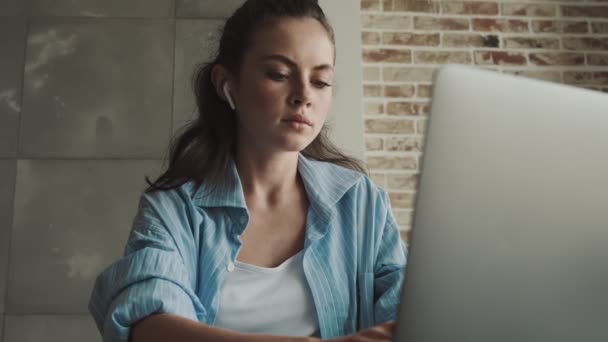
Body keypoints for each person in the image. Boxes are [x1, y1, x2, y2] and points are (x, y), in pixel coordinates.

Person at [88, 0, 407, 341]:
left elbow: (412, 318)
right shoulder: (174, 209)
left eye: (320, 81)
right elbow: (149, 326)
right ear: (227, 84)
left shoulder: (362, 204)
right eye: (279, 74)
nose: (303, 96)